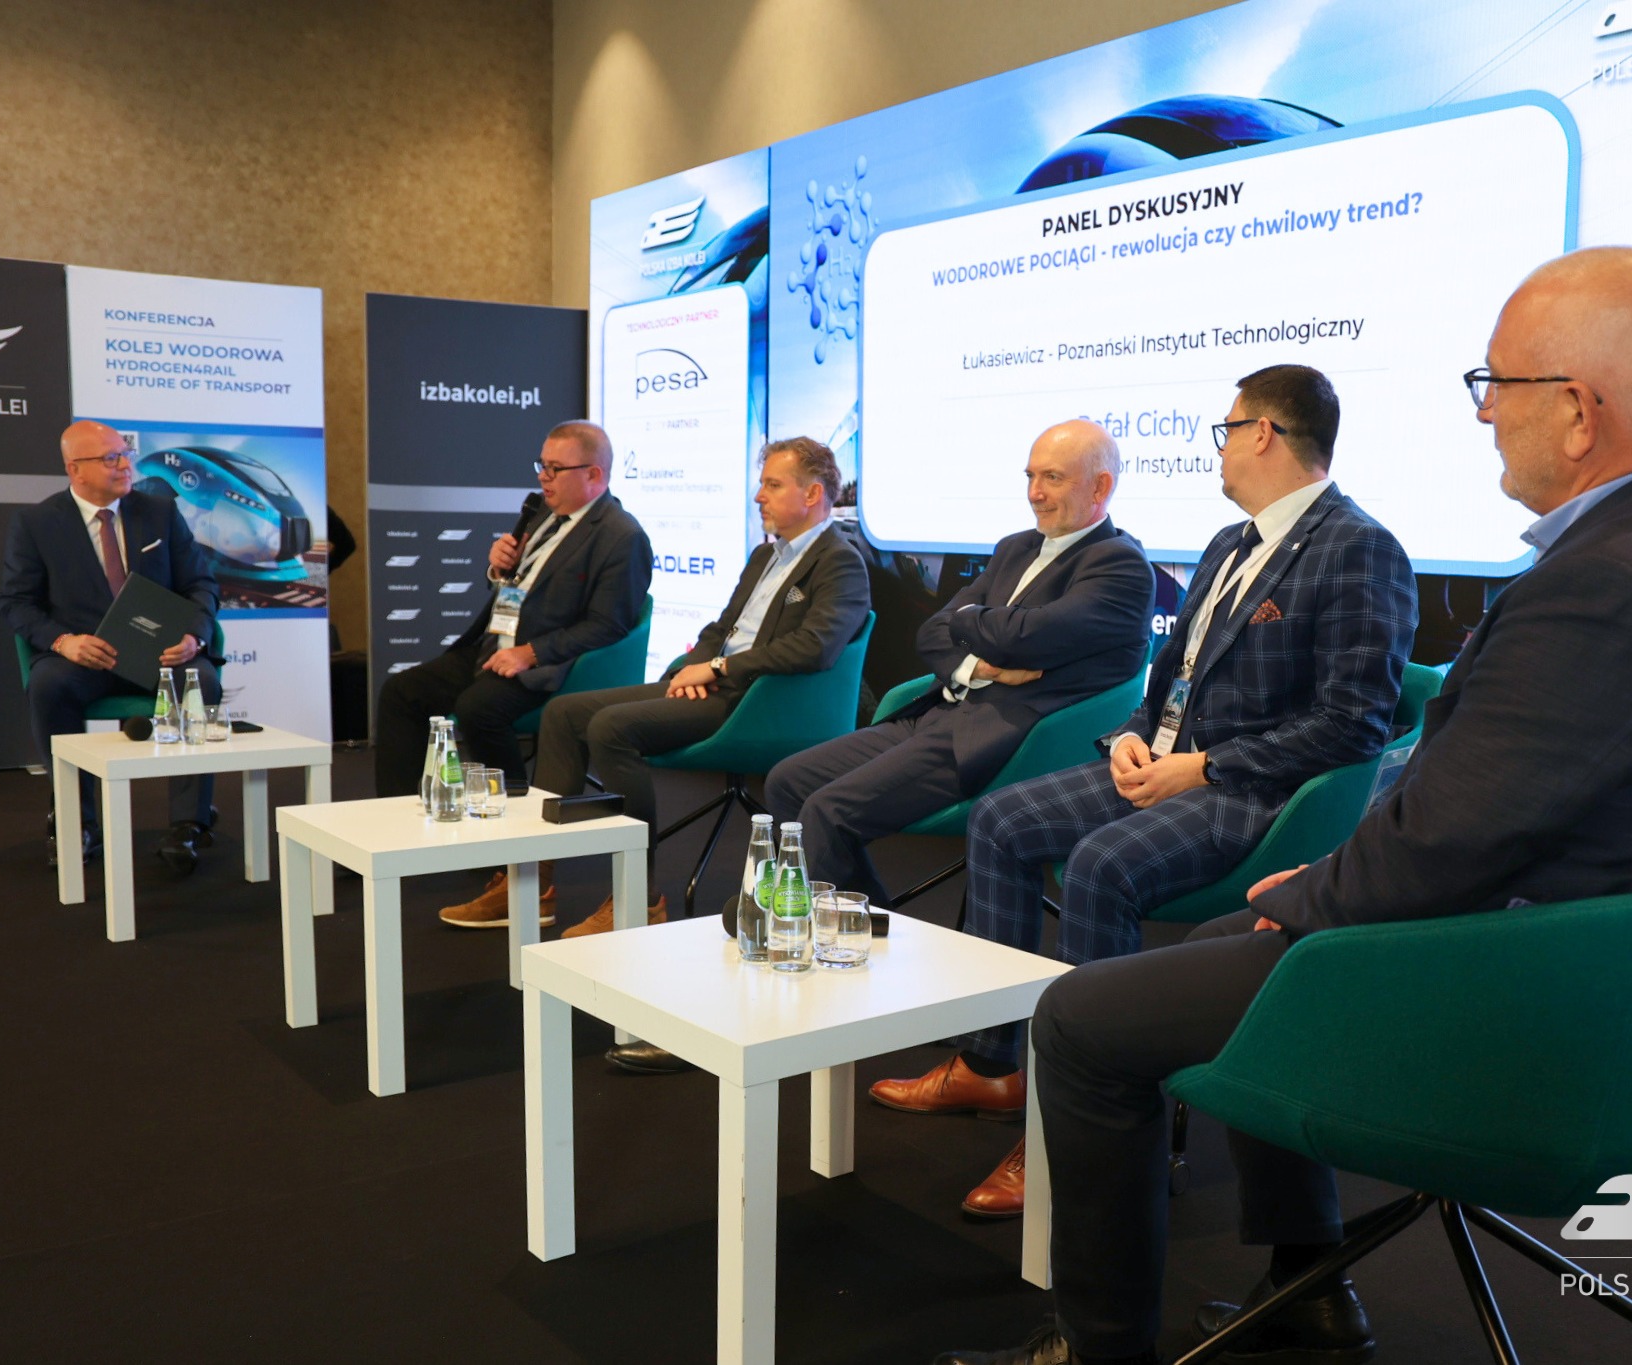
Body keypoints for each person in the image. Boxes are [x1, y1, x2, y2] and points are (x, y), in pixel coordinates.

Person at [937, 248, 1632, 1365]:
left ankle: (1098, 1349)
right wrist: (1309, 888)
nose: (1484, 413)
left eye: (1495, 384)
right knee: (1225, 936)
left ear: (1577, 412)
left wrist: (1309, 893)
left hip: (1528, 1006)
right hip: (1603, 989)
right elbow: (1483, 801)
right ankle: (1307, 1279)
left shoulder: (1608, 581)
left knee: (1079, 1018)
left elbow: (1445, 837)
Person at [876, 365, 1418, 1223]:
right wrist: (1131, 734)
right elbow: (1169, 677)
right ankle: (992, 1062)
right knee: (1002, 819)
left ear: (1264, 434)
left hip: (1253, 793)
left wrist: (1201, 767)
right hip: (1157, 764)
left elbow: (1354, 725)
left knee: (1100, 865)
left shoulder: (1360, 548)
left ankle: (1092, 1127)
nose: (1221, 446)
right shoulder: (1229, 542)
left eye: (1227, 429)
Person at [543, 435, 870, 1069]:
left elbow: (815, 648)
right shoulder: (765, 554)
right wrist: (690, 666)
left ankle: (639, 897)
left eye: (772, 485)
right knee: (566, 713)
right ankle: (537, 879)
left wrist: (717, 670)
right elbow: (722, 628)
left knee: (612, 728)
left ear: (812, 494)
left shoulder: (840, 561)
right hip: (718, 683)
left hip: (758, 702)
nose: (759, 496)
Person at [765, 419, 1154, 904]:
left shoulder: (1119, 564)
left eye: (1053, 478)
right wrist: (977, 666)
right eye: (1030, 476)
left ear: (1100, 486)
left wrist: (967, 618)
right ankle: (861, 921)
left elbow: (1026, 637)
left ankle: (846, 931)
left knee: (827, 811)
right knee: (788, 782)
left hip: (998, 738)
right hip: (939, 711)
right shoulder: (1016, 547)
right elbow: (931, 631)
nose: (1034, 493)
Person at [382, 421, 650, 929]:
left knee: (480, 710)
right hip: (491, 646)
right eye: (541, 466)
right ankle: (399, 835)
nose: (543, 478)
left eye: (556, 468)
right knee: (403, 693)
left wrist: (532, 652)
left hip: (553, 666)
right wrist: (497, 568)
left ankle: (517, 860)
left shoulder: (621, 536)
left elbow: (609, 625)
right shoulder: (543, 515)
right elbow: (516, 589)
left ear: (594, 474)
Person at [0, 420, 222, 872]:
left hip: (159, 655)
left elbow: (201, 584)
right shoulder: (37, 523)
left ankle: (189, 823)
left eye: (125, 454)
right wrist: (64, 642)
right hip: (85, 659)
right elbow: (16, 603)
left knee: (198, 677)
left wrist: (194, 636)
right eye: (110, 458)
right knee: (49, 685)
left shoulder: (160, 512)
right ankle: (77, 821)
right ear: (75, 469)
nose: (125, 465)